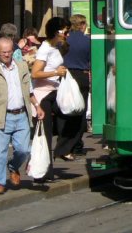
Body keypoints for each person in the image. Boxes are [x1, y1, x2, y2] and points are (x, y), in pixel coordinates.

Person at [0, 30, 45, 195]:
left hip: (21, 116)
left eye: (9, 51)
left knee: (24, 150)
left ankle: (13, 166)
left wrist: (37, 106)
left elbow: (29, 90)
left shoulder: (22, 67)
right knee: (0, 152)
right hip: (2, 116)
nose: (7, 54)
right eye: (3, 52)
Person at [31, 17, 69, 177]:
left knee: (71, 116)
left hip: (55, 91)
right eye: (65, 31)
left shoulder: (55, 46)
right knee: (44, 133)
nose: (67, 34)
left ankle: (62, 149)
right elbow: (35, 73)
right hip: (43, 94)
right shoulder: (45, 48)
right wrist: (55, 72)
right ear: (57, 32)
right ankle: (43, 171)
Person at [58, 14, 91, 158]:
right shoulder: (88, 41)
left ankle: (64, 141)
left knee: (64, 109)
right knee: (80, 110)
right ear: (82, 25)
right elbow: (91, 60)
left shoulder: (64, 41)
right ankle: (76, 144)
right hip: (82, 76)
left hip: (65, 75)